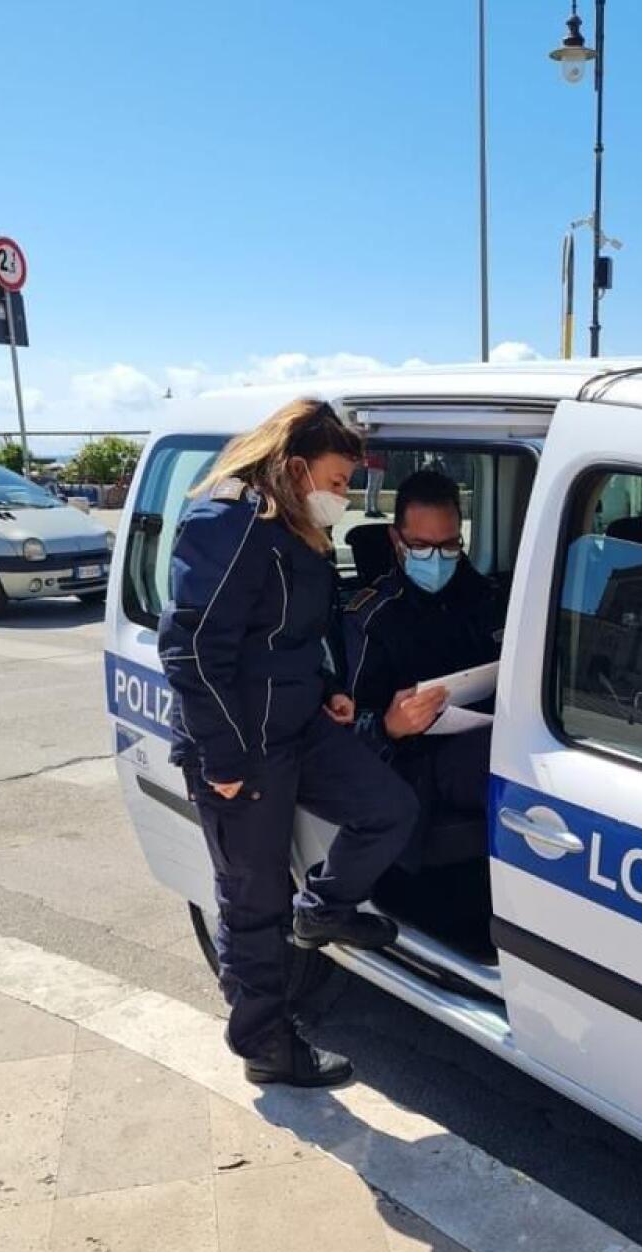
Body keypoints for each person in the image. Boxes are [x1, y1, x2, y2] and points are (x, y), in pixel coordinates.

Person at [158, 400, 418, 1089]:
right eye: (336, 481)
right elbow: (191, 650)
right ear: (294, 466)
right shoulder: (229, 524)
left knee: (388, 807)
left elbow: (292, 632)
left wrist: (331, 683)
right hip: (242, 745)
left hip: (299, 722)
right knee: (252, 903)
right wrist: (222, 761)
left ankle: (323, 911)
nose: (342, 497)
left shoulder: (295, 527)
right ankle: (267, 1047)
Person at [343, 468, 501, 829]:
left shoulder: (487, 598)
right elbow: (344, 729)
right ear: (396, 540)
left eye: (448, 546)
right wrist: (390, 726)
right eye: (421, 547)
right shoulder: (371, 618)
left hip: (490, 736)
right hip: (413, 766)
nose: (437, 558)